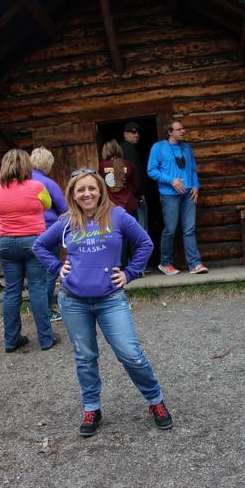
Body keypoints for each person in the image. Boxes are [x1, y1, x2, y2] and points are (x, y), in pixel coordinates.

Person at [33, 168, 174, 437]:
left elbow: (145, 244)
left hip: (110, 299)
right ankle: (92, 407)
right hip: (74, 301)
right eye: (80, 190)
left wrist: (130, 273)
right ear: (73, 195)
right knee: (85, 357)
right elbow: (39, 246)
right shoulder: (66, 221)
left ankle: (155, 400)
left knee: (130, 354)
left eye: (91, 188)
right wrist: (56, 267)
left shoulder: (118, 216)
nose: (87, 194)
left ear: (100, 190)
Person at [0, 149, 59, 353]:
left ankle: (11, 340)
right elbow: (47, 204)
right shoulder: (37, 186)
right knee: (37, 289)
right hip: (33, 242)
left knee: (11, 291)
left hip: (6, 244)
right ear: (27, 166)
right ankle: (46, 339)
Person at [147, 118, 208, 276]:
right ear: (170, 132)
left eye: (183, 128)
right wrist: (171, 181)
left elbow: (193, 169)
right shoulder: (158, 147)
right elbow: (151, 170)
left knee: (189, 229)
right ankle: (165, 263)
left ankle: (195, 264)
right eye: (179, 129)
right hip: (169, 195)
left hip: (188, 194)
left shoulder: (187, 148)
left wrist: (196, 186)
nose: (183, 131)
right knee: (170, 230)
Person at [30, 146, 68, 322]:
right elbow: (64, 208)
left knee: (35, 273)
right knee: (50, 271)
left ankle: (38, 308)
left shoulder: (24, 180)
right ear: (47, 164)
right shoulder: (47, 183)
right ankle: (46, 311)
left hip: (27, 232)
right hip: (48, 230)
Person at [121, 121, 148, 231]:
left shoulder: (126, 148)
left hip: (128, 195)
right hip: (134, 195)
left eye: (137, 132)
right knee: (141, 227)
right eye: (132, 132)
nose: (136, 135)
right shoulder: (128, 149)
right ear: (125, 134)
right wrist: (141, 193)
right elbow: (135, 173)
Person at [98, 139, 137, 214]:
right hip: (128, 204)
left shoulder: (102, 166)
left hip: (111, 204)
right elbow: (135, 185)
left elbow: (100, 186)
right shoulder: (128, 164)